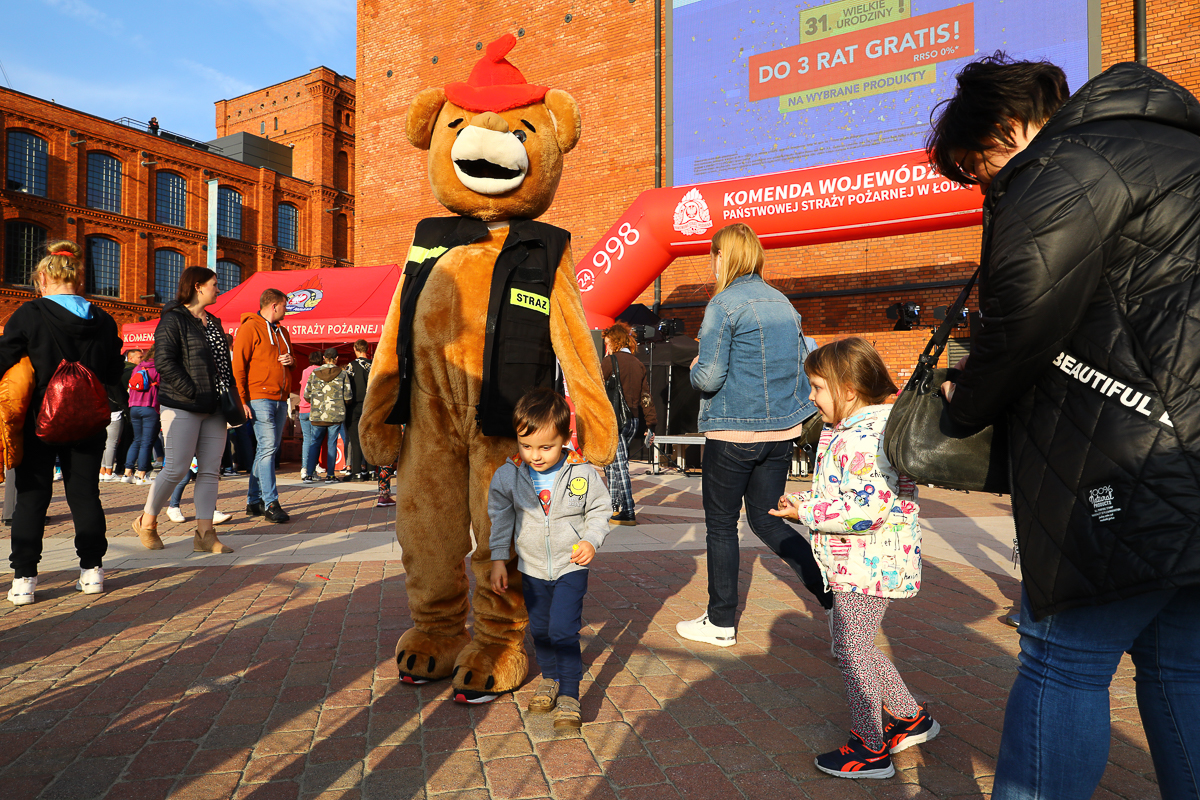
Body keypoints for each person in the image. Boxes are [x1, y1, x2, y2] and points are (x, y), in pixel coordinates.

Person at [929, 55, 1200, 800]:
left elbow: (1021, 312)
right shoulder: (1177, 150)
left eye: (977, 164)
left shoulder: (1066, 166)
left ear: (1011, 127)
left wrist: (963, 406)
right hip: (1185, 449)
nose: (983, 184)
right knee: (1180, 661)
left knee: (1062, 657)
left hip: (1120, 457)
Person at [771, 338, 937, 778]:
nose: (811, 396)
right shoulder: (856, 430)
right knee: (854, 644)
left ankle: (870, 748)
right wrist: (806, 504)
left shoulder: (863, 438)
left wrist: (805, 510)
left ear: (847, 389)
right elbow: (850, 493)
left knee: (850, 648)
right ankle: (909, 717)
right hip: (861, 560)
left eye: (817, 387)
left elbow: (866, 509)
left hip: (866, 562)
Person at [676, 222, 830, 648]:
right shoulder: (784, 304)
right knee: (765, 518)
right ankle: (832, 595)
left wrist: (691, 366)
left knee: (722, 526)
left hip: (733, 434)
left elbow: (708, 378)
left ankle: (721, 620)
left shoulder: (723, 305)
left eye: (714, 255)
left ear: (722, 257)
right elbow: (803, 363)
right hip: (781, 432)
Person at [0, 241, 124, 604]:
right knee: (85, 494)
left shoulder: (29, 313)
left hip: (39, 418)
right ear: (75, 277)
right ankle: (92, 572)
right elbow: (114, 371)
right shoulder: (103, 319)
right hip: (88, 419)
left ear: (42, 277)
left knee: (32, 496)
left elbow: (4, 359)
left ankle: (24, 579)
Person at [488, 388, 610, 729]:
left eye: (546, 447)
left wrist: (591, 540)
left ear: (564, 439)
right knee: (540, 629)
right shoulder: (509, 475)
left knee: (563, 630)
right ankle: (551, 678)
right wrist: (499, 558)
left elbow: (600, 510)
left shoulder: (581, 472)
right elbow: (501, 518)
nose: (536, 455)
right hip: (532, 568)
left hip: (571, 565)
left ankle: (570, 693)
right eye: (527, 446)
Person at [132, 266, 236, 555]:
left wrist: (231, 398)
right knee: (177, 467)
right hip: (182, 405)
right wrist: (192, 391)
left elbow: (223, 366)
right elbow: (164, 362)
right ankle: (148, 521)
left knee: (210, 471)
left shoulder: (214, 323)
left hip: (215, 407)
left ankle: (205, 534)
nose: (219, 288)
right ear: (198, 286)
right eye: (215, 284)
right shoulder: (173, 319)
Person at [233, 288, 294, 523]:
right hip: (260, 397)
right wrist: (242, 399)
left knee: (266, 449)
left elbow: (290, 362)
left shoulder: (283, 332)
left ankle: (253, 501)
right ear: (275, 306)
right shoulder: (250, 327)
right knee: (268, 448)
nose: (286, 310)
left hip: (279, 398)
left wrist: (292, 360)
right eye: (285, 306)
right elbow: (238, 365)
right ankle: (270, 503)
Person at [600, 322, 657, 525]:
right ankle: (614, 506)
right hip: (633, 420)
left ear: (614, 341)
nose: (606, 347)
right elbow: (646, 396)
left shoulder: (610, 361)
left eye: (607, 342)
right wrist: (651, 423)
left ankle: (628, 509)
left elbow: (596, 388)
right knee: (614, 462)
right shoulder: (637, 363)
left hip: (615, 419)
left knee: (619, 465)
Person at [303, 348, 352, 484]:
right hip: (335, 415)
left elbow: (306, 395)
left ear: (324, 358)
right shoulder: (343, 374)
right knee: (332, 443)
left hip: (317, 415)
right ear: (336, 359)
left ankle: (309, 475)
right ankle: (330, 475)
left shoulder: (314, 373)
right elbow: (348, 396)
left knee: (314, 443)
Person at [125, 345, 161, 485]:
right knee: (147, 442)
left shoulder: (137, 367)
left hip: (134, 406)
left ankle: (128, 472)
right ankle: (141, 474)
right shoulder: (158, 368)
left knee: (137, 440)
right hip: (149, 406)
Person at [344, 339, 373, 480]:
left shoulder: (352, 366)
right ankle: (372, 471)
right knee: (370, 438)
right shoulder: (374, 364)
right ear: (367, 349)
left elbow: (346, 385)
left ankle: (356, 471)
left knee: (355, 439)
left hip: (354, 405)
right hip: (371, 405)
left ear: (355, 348)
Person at [296, 350, 323, 481]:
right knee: (315, 441)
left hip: (303, 409)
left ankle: (304, 468)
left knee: (307, 440)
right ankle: (312, 469)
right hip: (316, 410)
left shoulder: (305, 371)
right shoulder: (321, 371)